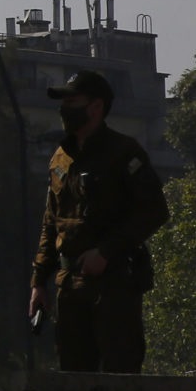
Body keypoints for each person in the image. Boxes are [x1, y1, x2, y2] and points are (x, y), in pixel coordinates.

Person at [30, 68, 169, 372]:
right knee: (73, 375)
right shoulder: (60, 157)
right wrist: (39, 281)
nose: (64, 109)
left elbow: (155, 210)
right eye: (63, 102)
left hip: (114, 285)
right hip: (69, 287)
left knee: (119, 375)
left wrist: (106, 252)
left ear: (96, 107)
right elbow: (51, 221)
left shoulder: (123, 152)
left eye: (72, 102)